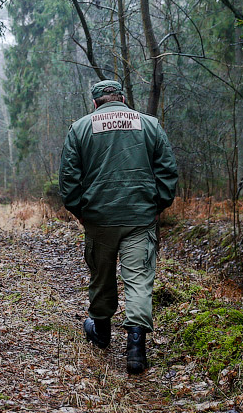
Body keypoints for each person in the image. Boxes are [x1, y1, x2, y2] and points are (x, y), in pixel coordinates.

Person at [59, 80, 178, 375]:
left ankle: (100, 333)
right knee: (138, 281)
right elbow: (167, 170)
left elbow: (68, 178)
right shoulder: (149, 125)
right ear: (123, 99)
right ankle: (136, 351)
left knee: (101, 276)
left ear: (96, 103)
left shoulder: (81, 128)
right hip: (140, 219)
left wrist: (80, 211)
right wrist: (156, 207)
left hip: (98, 218)